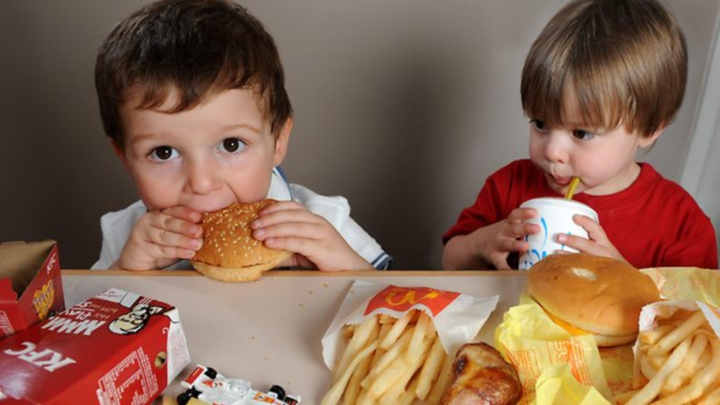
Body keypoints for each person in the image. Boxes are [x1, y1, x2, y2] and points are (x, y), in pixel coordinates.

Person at [92, 0, 391, 271]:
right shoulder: (127, 236)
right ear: (125, 158)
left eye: (231, 145)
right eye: (163, 152)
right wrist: (126, 272)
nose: (202, 183)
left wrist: (347, 268)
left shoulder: (324, 220)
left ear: (278, 141)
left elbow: (395, 301)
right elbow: (84, 311)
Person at [442, 0, 718, 270]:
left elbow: (699, 301)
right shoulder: (508, 185)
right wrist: (479, 244)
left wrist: (625, 279)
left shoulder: (681, 224)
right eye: (541, 123)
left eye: (581, 133)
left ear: (649, 129)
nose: (552, 151)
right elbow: (450, 262)